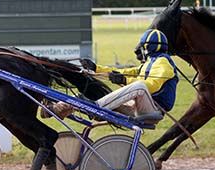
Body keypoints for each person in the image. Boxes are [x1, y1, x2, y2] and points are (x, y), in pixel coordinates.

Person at [44, 29, 178, 121]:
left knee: (140, 86)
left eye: (142, 47)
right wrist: (96, 69)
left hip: (152, 110)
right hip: (137, 106)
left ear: (148, 47)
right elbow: (123, 72)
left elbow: (152, 86)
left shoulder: (163, 62)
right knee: (96, 96)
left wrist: (125, 80)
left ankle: (96, 107)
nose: (139, 51)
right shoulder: (150, 63)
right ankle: (59, 108)